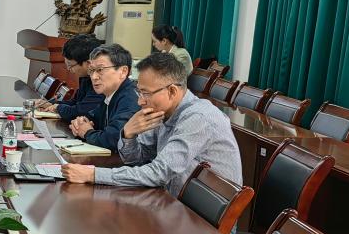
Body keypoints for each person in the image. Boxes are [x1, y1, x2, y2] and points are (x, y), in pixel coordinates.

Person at [62, 52, 243, 194]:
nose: (140, 101)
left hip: (200, 222)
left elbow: (159, 173)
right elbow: (136, 159)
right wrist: (128, 134)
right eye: (139, 92)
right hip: (172, 203)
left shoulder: (199, 117)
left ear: (172, 91)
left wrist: (93, 174)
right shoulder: (162, 111)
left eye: (146, 93)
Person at [68, 43, 140, 152]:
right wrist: (80, 123)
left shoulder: (131, 98)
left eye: (100, 70)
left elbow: (114, 139)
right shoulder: (109, 94)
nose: (94, 77)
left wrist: (87, 133)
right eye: (91, 70)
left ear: (123, 71)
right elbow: (93, 119)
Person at [34, 34, 104, 121]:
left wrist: (58, 108)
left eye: (70, 65)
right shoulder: (85, 76)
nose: (68, 69)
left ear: (88, 63)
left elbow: (82, 111)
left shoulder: (102, 81)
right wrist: (51, 104)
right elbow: (75, 102)